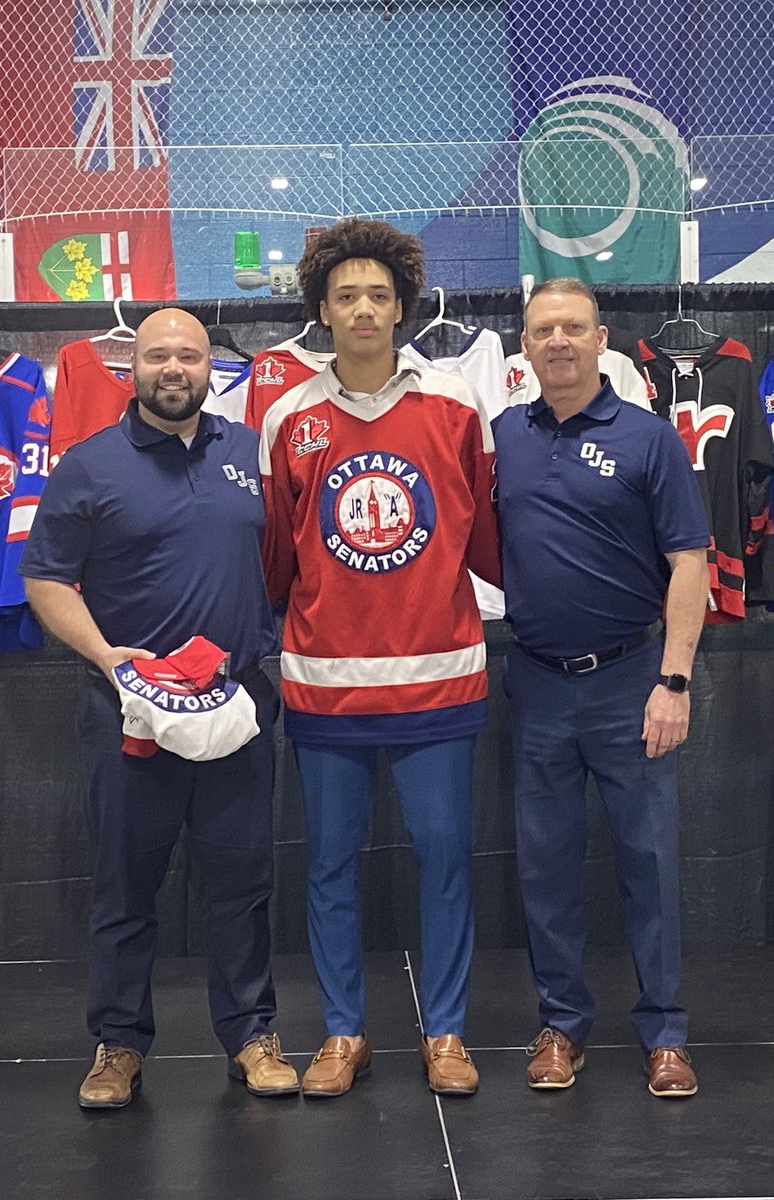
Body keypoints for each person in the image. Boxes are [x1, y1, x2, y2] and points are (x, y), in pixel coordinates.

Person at [20, 308, 298, 1108]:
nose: (172, 368)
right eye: (156, 356)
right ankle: (117, 1046)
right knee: (123, 884)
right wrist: (110, 659)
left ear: (212, 366)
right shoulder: (87, 464)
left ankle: (252, 1035)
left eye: (188, 354)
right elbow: (44, 579)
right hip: (128, 714)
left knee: (242, 881)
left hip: (239, 704)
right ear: (132, 368)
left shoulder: (254, 453)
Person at [259, 219, 501, 1097]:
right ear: (321, 310)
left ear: (403, 307)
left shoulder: (455, 406)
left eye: (379, 295)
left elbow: (489, 537)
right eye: (346, 295)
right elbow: (278, 562)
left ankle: (445, 1033)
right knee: (327, 865)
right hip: (325, 687)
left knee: (443, 856)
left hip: (440, 677)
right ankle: (341, 1032)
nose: (364, 308)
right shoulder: (288, 416)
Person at [492, 279, 710, 1099]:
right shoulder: (504, 437)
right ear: (524, 346)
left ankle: (665, 1033)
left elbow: (689, 558)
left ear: (601, 338)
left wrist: (674, 680)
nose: (558, 342)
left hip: (631, 681)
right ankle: (562, 1027)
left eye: (573, 328)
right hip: (538, 683)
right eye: (543, 329)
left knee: (648, 864)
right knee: (545, 867)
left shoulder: (650, 439)